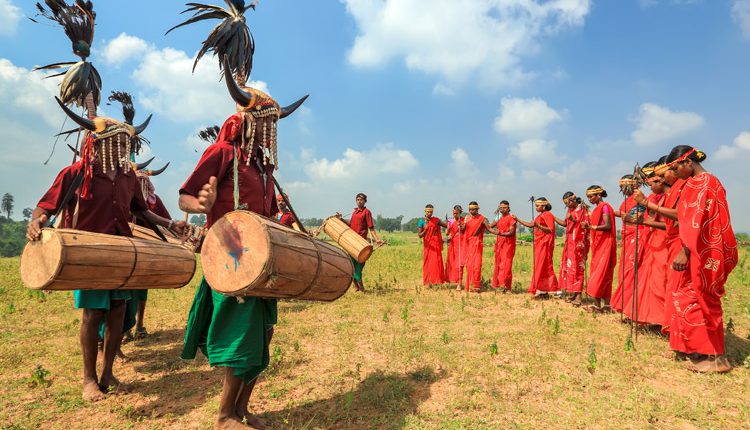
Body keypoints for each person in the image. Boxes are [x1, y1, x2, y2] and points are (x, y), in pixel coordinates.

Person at [28, 2, 185, 402]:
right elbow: (47, 205)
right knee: (92, 314)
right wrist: (37, 221)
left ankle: (109, 372)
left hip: (121, 251)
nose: (121, 150)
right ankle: (87, 380)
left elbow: (141, 212)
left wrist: (171, 226)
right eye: (116, 143)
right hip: (88, 251)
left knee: (117, 313)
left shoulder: (128, 177)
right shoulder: (76, 173)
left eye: (124, 144)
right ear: (98, 145)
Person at [171, 2, 310, 427]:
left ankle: (243, 408)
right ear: (250, 120)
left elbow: (269, 216)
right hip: (229, 257)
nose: (270, 132)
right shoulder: (222, 153)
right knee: (242, 337)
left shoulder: (264, 167)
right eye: (266, 124)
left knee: (263, 334)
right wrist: (202, 205)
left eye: (273, 126)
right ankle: (224, 415)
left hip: (261, 262)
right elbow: (185, 198)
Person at [663, 146, 737, 372]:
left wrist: (685, 251)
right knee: (690, 297)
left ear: (688, 162)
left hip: (703, 250)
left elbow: (698, 221)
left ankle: (716, 358)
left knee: (701, 299)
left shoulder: (705, 183)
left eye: (676, 167)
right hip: (699, 249)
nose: (675, 173)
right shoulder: (697, 183)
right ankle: (701, 351)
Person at [624, 162, 668, 326]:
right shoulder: (651, 197)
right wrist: (631, 216)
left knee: (661, 282)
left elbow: (674, 223)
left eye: (651, 182)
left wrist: (645, 218)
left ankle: (663, 320)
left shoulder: (669, 196)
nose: (649, 186)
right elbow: (634, 217)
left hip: (664, 243)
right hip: (651, 242)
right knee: (650, 281)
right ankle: (652, 318)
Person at [611, 174, 647, 315]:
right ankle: (625, 304)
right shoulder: (628, 199)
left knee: (631, 271)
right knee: (624, 270)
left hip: (636, 236)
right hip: (627, 237)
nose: (622, 190)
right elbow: (624, 214)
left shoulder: (639, 197)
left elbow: (639, 217)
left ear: (633, 185)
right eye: (621, 187)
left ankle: (630, 306)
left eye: (624, 187)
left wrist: (629, 218)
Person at [338, 193, 384, 291]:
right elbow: (350, 224)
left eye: (361, 200)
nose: (359, 201)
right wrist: (341, 219)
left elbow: (371, 227)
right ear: (356, 201)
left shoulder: (367, 212)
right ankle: (357, 287)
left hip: (361, 244)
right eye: (358, 199)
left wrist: (376, 239)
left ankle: (361, 288)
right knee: (351, 266)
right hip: (352, 242)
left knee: (359, 267)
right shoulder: (354, 213)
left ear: (365, 201)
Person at [514, 197, 559, 298]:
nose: (536, 208)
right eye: (536, 206)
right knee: (540, 265)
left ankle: (552, 288)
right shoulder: (540, 215)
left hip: (545, 243)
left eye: (538, 206)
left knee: (544, 265)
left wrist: (538, 226)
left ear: (544, 206)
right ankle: (542, 289)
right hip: (539, 243)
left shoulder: (547, 215)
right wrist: (517, 219)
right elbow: (531, 225)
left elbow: (550, 229)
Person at [582, 185, 617, 312]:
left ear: (599, 195)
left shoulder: (605, 207)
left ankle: (601, 306)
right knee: (600, 272)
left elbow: (607, 226)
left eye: (591, 196)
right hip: (599, 243)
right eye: (588, 197)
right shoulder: (597, 209)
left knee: (600, 273)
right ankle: (603, 306)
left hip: (605, 244)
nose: (590, 199)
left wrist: (591, 227)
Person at [553, 192, 590, 306]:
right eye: (565, 204)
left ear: (573, 200)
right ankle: (573, 292)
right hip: (570, 242)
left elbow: (584, 224)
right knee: (569, 267)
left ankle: (578, 295)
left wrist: (573, 220)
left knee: (578, 268)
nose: (567, 205)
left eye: (568, 203)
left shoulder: (582, 209)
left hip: (579, 243)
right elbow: (566, 223)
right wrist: (553, 217)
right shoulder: (570, 210)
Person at [461, 202, 497, 292]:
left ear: (477, 209)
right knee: (469, 265)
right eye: (470, 209)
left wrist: (499, 233)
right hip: (469, 244)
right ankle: (470, 285)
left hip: (477, 243)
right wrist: (460, 225)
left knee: (477, 265)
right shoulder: (466, 218)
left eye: (473, 209)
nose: (471, 211)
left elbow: (489, 228)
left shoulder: (482, 219)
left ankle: (476, 286)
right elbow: (463, 230)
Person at [489, 200, 517, 292]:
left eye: (504, 207)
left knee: (507, 265)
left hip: (508, 245)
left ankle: (507, 286)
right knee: (499, 264)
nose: (502, 209)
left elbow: (511, 232)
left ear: (508, 208)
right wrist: (483, 223)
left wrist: (501, 233)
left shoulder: (511, 218)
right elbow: (490, 226)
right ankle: (500, 285)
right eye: (500, 207)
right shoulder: (499, 218)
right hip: (499, 244)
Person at [417, 204, 447, 286]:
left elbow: (446, 225)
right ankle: (428, 281)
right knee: (428, 262)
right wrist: (425, 230)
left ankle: (436, 281)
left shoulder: (436, 220)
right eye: (428, 212)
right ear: (425, 211)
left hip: (435, 244)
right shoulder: (421, 221)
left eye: (431, 212)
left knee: (436, 262)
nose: (429, 213)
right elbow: (420, 235)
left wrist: (449, 220)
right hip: (427, 244)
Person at [444, 205, 466, 286]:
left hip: (461, 244)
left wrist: (461, 225)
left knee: (460, 263)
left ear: (460, 213)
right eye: (454, 213)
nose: (455, 215)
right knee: (452, 262)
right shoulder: (451, 221)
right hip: (453, 244)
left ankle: (459, 282)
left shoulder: (464, 220)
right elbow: (447, 233)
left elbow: (464, 229)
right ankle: (452, 279)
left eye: (457, 213)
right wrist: (447, 228)